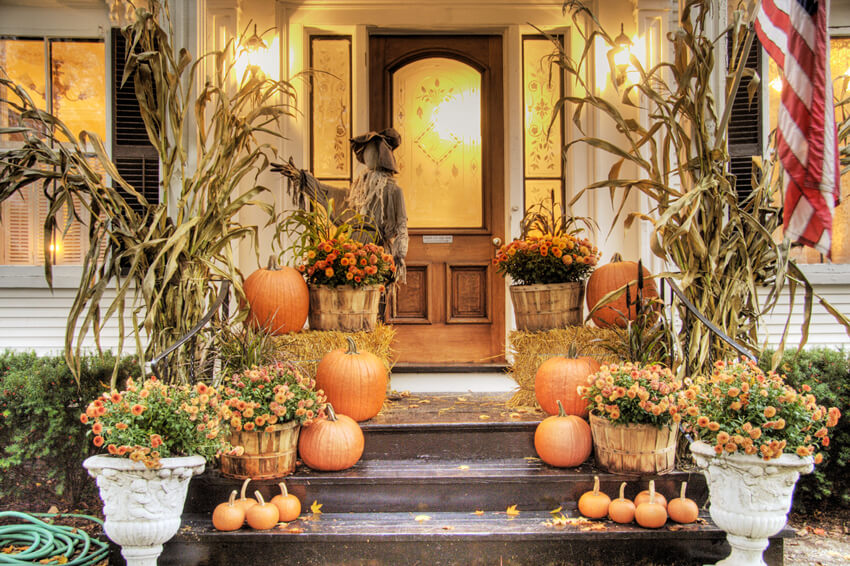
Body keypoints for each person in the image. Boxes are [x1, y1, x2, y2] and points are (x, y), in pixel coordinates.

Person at [273, 128, 408, 283]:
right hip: (353, 249)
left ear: (382, 156)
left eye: (371, 152)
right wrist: (301, 177)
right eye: (366, 151)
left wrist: (398, 257)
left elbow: (401, 225)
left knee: (375, 299)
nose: (367, 156)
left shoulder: (394, 191)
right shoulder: (358, 191)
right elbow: (329, 193)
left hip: (377, 253)